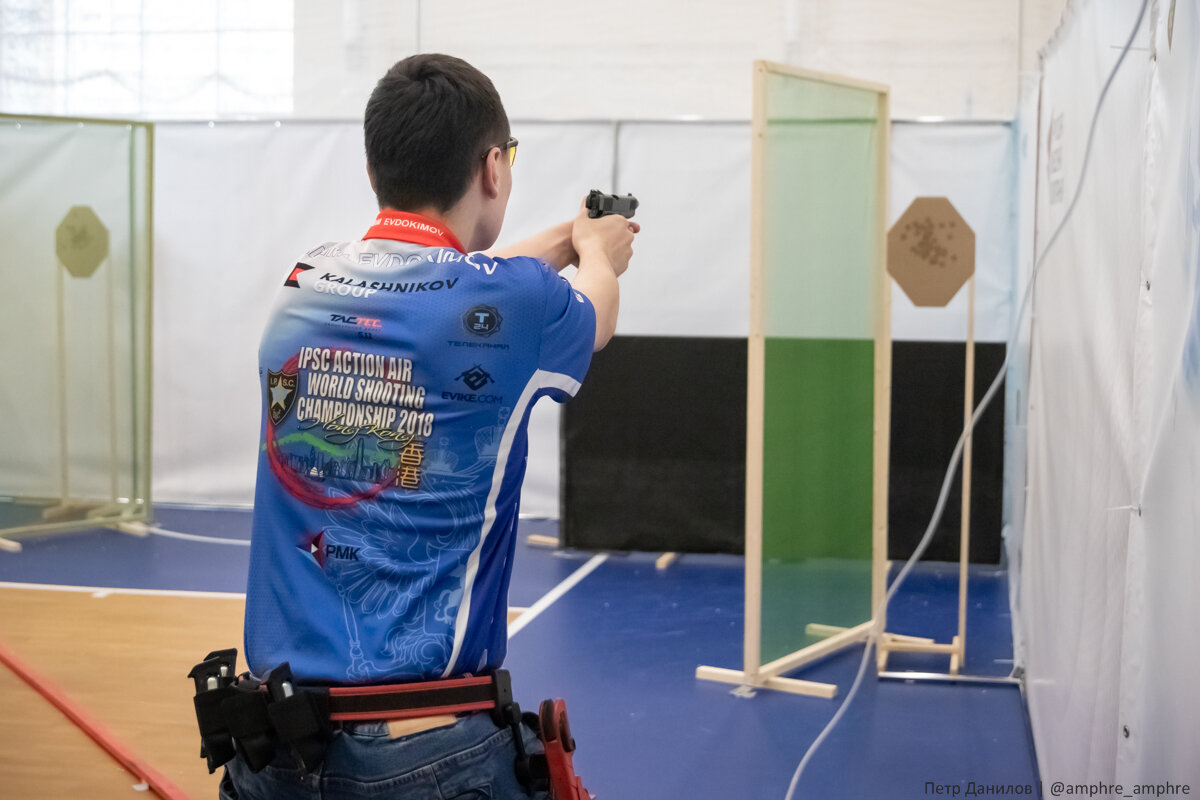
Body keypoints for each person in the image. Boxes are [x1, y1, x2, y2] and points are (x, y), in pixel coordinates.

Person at [221, 53, 637, 798]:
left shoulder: (306, 280)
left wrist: (566, 235)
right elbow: (595, 312)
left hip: (272, 749)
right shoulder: (524, 304)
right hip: (427, 747)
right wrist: (598, 253)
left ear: (377, 166)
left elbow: (440, 282)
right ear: (492, 169)